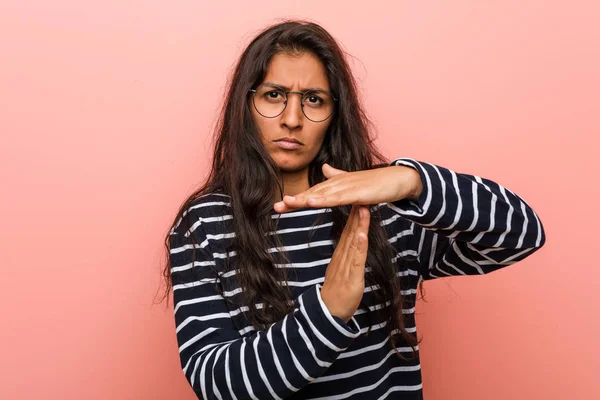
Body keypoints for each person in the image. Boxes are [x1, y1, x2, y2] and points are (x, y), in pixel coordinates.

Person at [162, 20, 546, 400]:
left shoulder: (385, 209)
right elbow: (215, 382)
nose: (292, 120)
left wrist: (413, 181)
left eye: (314, 100)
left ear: (335, 114)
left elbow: (522, 234)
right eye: (274, 95)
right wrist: (328, 312)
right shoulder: (204, 224)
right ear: (246, 104)